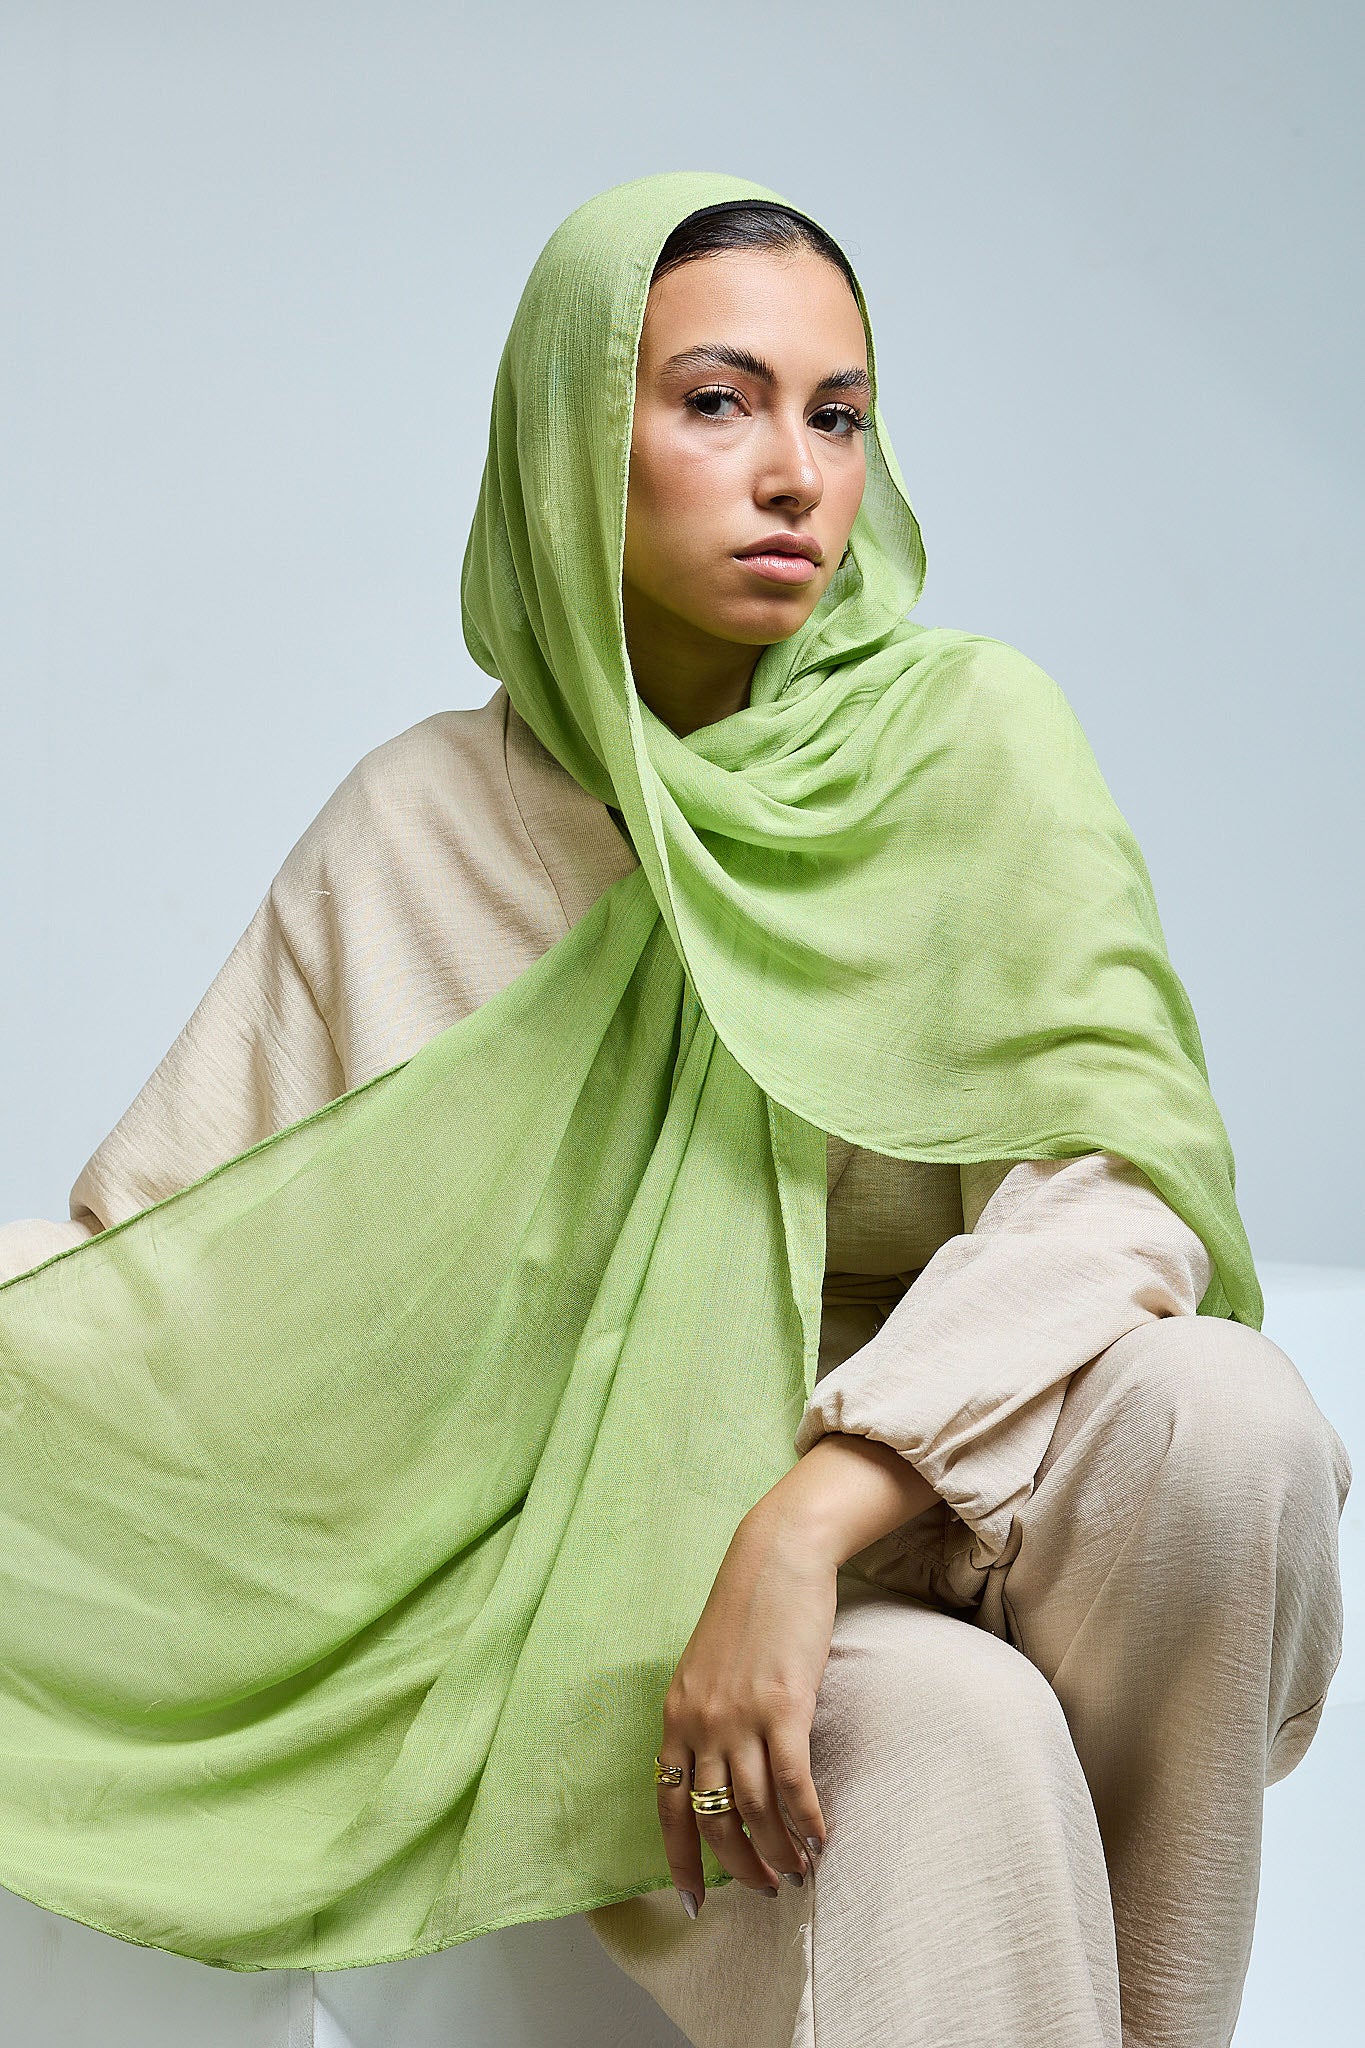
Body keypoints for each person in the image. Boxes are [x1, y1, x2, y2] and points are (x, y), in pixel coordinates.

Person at [0, 173, 1351, 2048]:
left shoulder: (965, 741)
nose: (793, 473)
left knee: (1228, 1416)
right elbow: (177, 1270)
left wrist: (805, 1520)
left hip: (973, 1483)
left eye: (837, 415)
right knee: (952, 1736)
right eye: (716, 402)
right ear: (573, 440)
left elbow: (1117, 1189)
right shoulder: (420, 826)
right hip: (611, 1566)